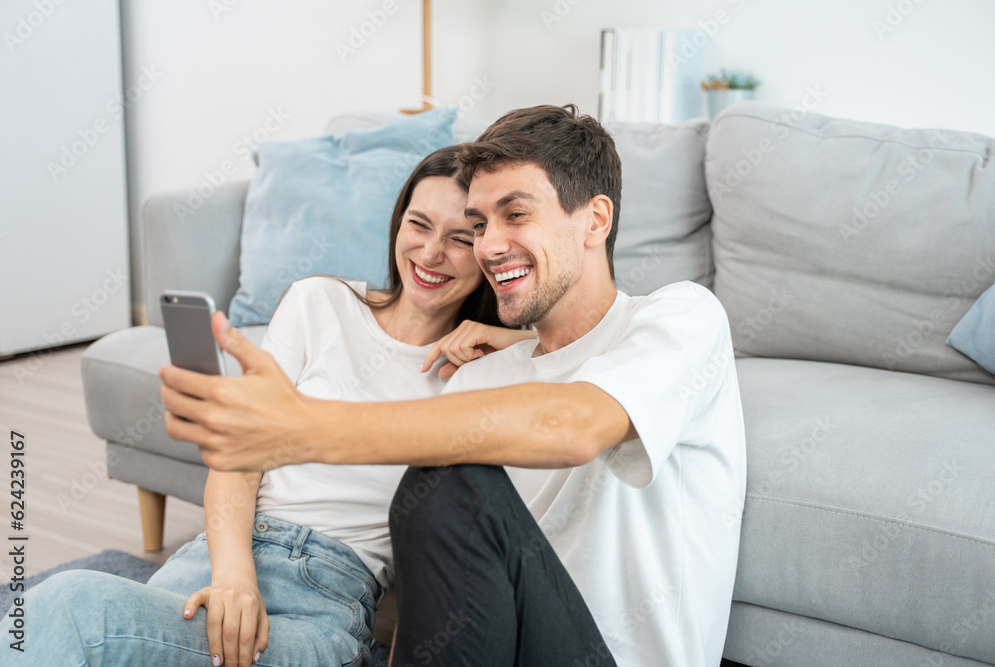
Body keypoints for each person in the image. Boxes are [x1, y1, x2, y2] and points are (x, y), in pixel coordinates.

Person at [159, 104, 747, 667]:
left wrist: (299, 427)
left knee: (451, 475)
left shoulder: (680, 318)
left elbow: (574, 425)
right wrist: (522, 347)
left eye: (515, 215)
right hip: (509, 643)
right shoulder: (484, 374)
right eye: (481, 225)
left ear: (595, 219)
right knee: (433, 480)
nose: (490, 245)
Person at [0, 145, 536, 666]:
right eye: (419, 224)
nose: (431, 252)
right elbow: (238, 458)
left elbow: (594, 356)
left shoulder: (484, 373)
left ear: (488, 253)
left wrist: (514, 342)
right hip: (215, 560)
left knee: (71, 608)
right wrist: (233, 576)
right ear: (398, 224)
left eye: (461, 238)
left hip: (324, 596)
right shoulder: (319, 302)